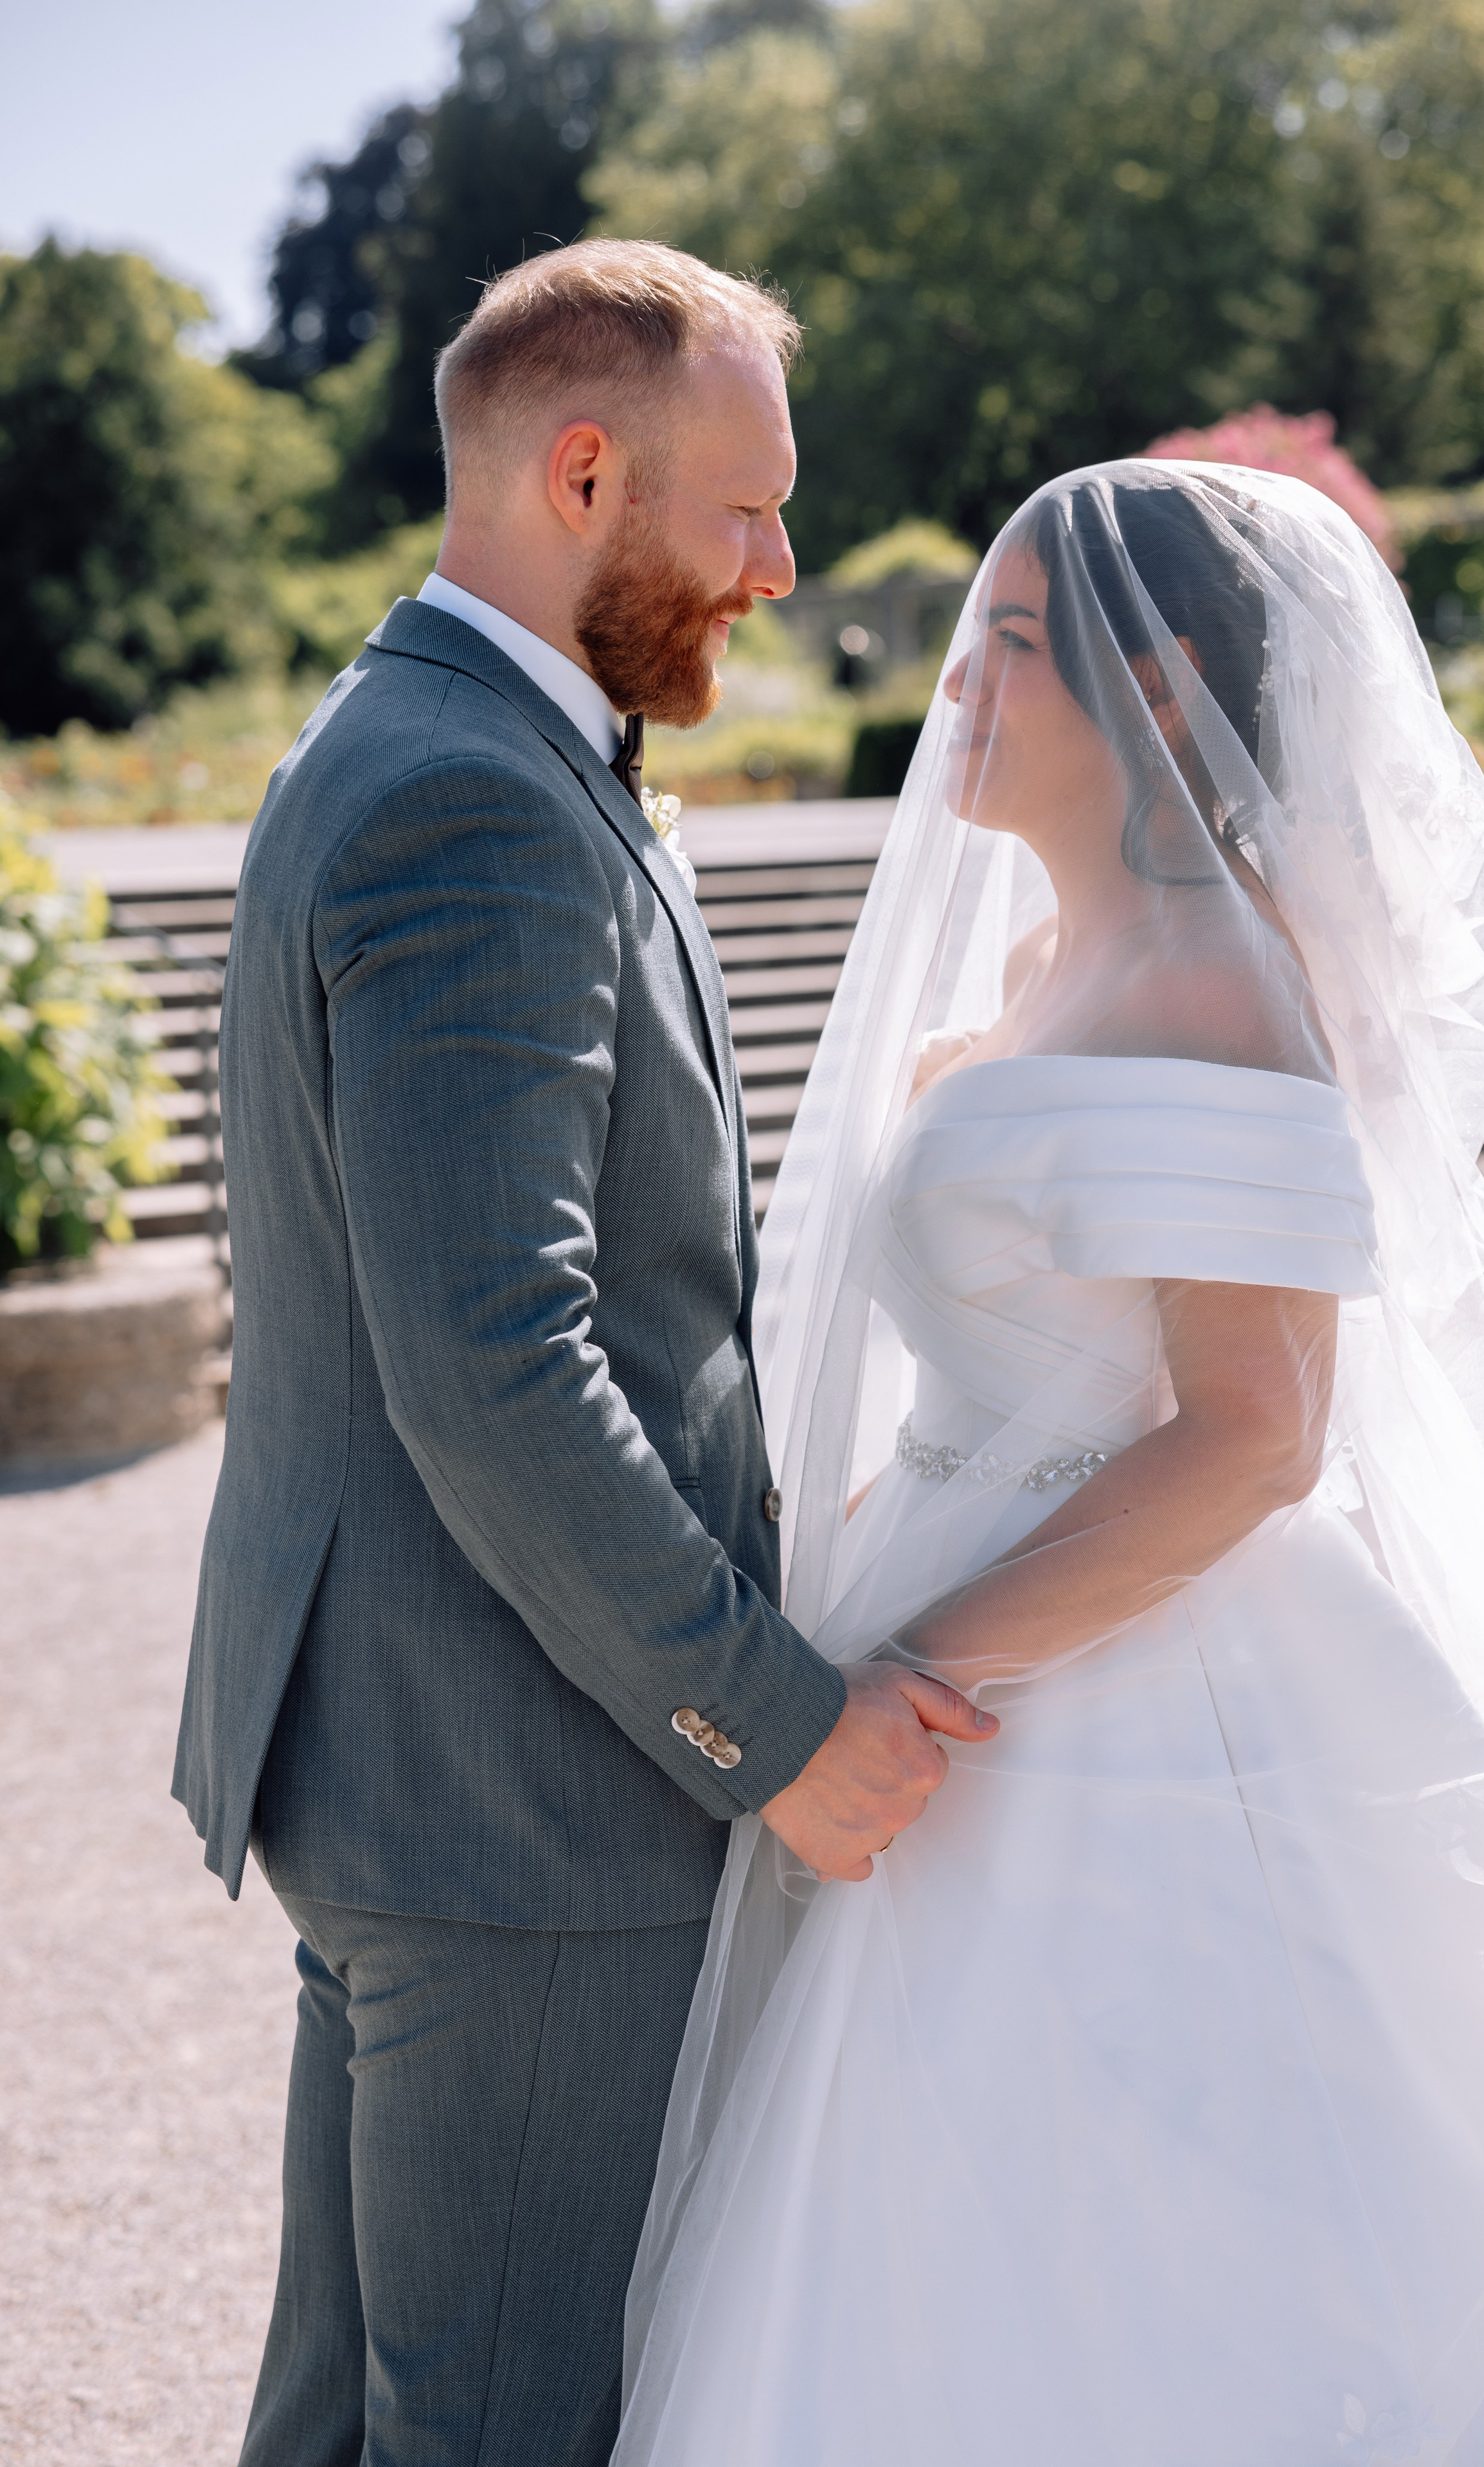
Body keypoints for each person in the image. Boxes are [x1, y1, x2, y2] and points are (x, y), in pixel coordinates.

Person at [614, 464, 1484, 2464]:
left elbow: (1258, 1439)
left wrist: (912, 1677)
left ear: (1161, 698)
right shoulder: (1039, 976)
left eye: (1011, 651)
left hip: (1147, 1686)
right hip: (961, 1601)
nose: (955, 694)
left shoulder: (1206, 991)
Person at [172, 237, 996, 2467]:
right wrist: (778, 1732)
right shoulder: (477, 802)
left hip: (416, 1759)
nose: (780, 563)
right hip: (520, 1795)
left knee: (355, 2419)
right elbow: (500, 1367)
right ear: (584, 467)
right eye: (743, 508)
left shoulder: (420, 733)